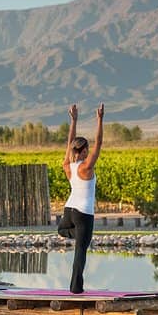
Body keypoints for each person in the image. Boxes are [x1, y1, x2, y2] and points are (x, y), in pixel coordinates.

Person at [57, 103, 104, 293]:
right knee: (81, 251)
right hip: (84, 213)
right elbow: (99, 143)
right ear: (83, 151)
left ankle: (79, 236)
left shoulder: (68, 165)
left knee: (62, 230)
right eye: (87, 149)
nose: (89, 151)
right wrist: (100, 120)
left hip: (69, 211)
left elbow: (69, 144)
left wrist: (73, 120)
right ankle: (76, 289)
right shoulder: (86, 167)